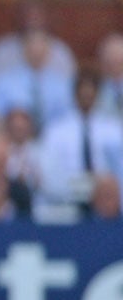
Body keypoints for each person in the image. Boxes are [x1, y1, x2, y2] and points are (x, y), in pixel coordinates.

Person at [37, 69, 123, 218]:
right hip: (67, 200)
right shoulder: (56, 131)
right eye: (83, 94)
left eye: (90, 94)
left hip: (107, 203)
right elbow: (49, 173)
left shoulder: (114, 130)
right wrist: (77, 185)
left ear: (97, 94)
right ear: (75, 94)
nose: (86, 97)